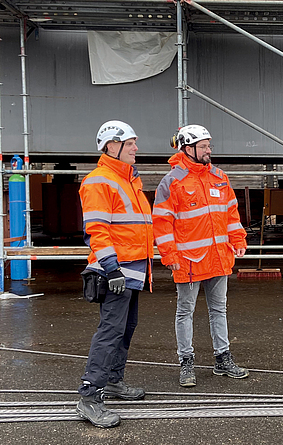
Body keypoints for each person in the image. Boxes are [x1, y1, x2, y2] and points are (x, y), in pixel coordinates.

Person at [152, 124, 249, 387]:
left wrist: (238, 238)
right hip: (189, 260)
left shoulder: (220, 177)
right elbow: (162, 222)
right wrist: (169, 255)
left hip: (218, 258)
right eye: (203, 146)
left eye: (209, 145)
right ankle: (186, 363)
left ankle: (222, 359)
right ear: (188, 149)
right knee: (185, 312)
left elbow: (231, 213)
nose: (209, 150)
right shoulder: (172, 181)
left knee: (219, 310)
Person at [76, 120, 153, 428]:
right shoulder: (99, 181)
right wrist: (112, 269)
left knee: (126, 328)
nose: (136, 147)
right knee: (110, 333)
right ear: (111, 146)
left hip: (132, 271)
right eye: (131, 143)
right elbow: (97, 229)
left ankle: (113, 382)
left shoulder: (130, 181)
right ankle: (89, 397)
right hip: (116, 272)